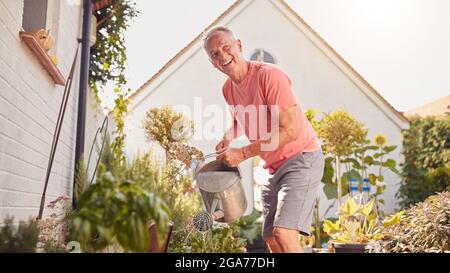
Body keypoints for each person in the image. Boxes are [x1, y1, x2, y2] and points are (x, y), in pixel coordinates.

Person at [203, 26, 325, 253]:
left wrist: (243, 153)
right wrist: (227, 138)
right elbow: (241, 120)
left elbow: (290, 131)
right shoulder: (228, 89)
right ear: (213, 62)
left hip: (302, 158)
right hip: (273, 167)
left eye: (226, 47)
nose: (223, 56)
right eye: (215, 54)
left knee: (284, 233)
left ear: (238, 46)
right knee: (270, 237)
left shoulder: (270, 76)